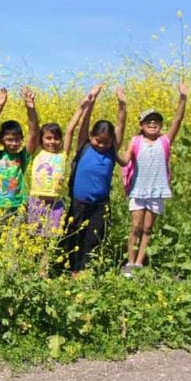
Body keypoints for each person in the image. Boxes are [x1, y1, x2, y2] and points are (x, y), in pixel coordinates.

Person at [120, 83, 188, 276]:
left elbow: (177, 120)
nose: (152, 123)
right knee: (136, 227)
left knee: (148, 229)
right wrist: (112, 155)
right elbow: (125, 160)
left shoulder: (165, 141)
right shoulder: (135, 141)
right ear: (141, 125)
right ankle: (130, 263)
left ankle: (139, 264)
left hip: (157, 190)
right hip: (138, 190)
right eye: (148, 120)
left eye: (156, 120)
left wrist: (183, 98)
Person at [63, 85, 127, 274]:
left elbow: (121, 127)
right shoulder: (84, 146)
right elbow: (84, 122)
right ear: (91, 136)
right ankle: (72, 270)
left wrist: (122, 106)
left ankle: (85, 273)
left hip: (100, 206)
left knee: (94, 239)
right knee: (74, 238)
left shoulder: (111, 151)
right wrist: (90, 102)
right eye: (98, 140)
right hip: (78, 204)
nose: (101, 144)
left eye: (106, 142)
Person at [27, 94, 90, 237]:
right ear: (41, 139)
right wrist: (31, 107)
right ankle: (35, 259)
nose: (52, 141)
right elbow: (34, 129)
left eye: (56, 138)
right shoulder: (37, 152)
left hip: (55, 204)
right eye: (48, 138)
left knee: (51, 238)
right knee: (34, 237)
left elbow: (70, 130)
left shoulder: (63, 154)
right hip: (37, 201)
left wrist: (82, 106)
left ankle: (46, 260)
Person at [0, 87, 39, 215]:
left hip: (17, 207)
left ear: (22, 140)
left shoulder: (22, 157)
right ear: (1, 140)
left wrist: (31, 108)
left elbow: (33, 133)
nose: (14, 143)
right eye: (9, 139)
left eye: (17, 140)